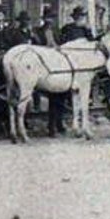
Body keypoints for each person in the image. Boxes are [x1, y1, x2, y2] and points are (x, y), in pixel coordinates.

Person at [33, 8, 67, 136]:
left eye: (51, 18)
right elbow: (37, 47)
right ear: (44, 19)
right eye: (47, 18)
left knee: (61, 97)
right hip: (45, 65)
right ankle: (51, 127)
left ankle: (59, 123)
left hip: (58, 64)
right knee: (53, 97)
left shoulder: (57, 31)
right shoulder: (38, 32)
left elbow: (62, 45)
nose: (50, 21)